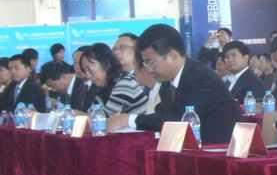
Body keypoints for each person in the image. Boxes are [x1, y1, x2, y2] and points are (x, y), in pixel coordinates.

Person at [107, 24, 239, 143]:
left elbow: (179, 120)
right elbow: (161, 116)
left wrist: (129, 120)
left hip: (219, 151)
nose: (148, 69)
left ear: (172, 56)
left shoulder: (200, 77)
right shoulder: (167, 82)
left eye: (150, 62)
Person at [81, 43, 148, 116]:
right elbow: (93, 113)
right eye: (85, 71)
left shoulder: (124, 84)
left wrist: (77, 114)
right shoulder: (102, 87)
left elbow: (104, 119)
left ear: (106, 63)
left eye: (90, 69)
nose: (87, 75)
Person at [69, 45, 96, 111]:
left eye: (81, 62)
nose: (78, 66)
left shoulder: (102, 84)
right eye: (75, 62)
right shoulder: (77, 81)